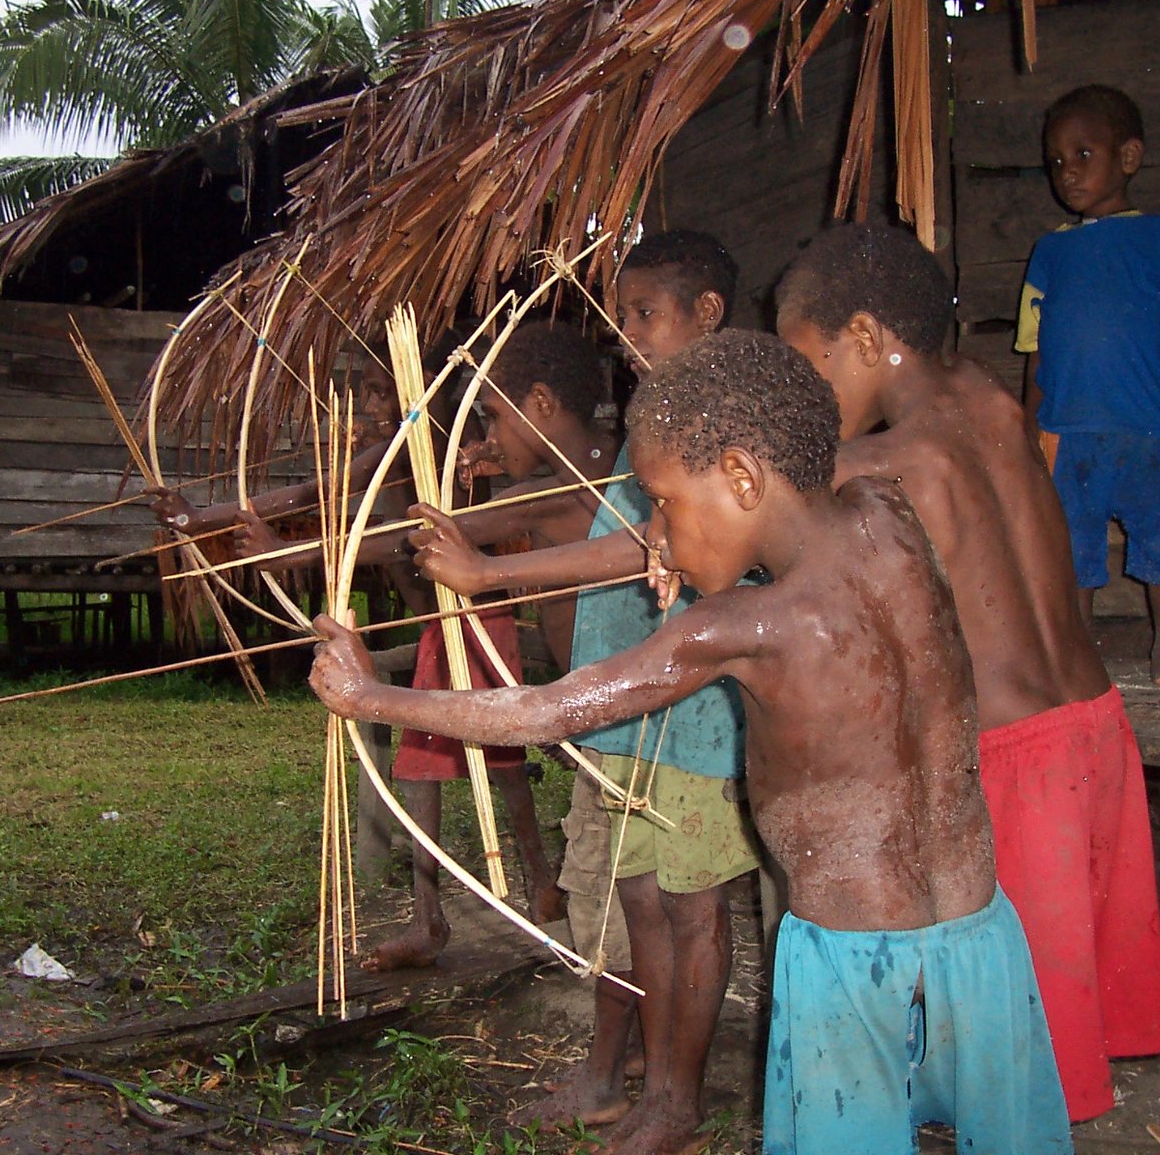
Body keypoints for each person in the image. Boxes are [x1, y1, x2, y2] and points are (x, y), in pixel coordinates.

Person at [311, 331, 1073, 1155]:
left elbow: (548, 709)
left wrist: (369, 696)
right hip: (980, 936)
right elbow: (807, 525)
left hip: (853, 959)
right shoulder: (888, 513)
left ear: (740, 478)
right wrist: (700, 545)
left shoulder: (739, 628)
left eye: (665, 505)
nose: (659, 534)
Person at [775, 221, 1160, 1122]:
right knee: (1054, 1009)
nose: (807, 398)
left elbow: (749, 501)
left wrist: (491, 572)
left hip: (1017, 765)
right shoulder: (989, 397)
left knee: (1017, 1050)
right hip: (1097, 729)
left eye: (810, 367)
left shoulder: (886, 463)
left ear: (866, 338)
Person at [409, 231, 759, 1152]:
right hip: (630, 713)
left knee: (693, 908)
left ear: (708, 313)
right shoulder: (658, 420)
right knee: (639, 904)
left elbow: (652, 549)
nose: (626, 333)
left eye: (644, 313)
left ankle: (675, 1099)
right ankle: (651, 1088)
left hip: (698, 716)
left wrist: (487, 574)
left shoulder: (728, 417)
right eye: (623, 315)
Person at [154, 342, 566, 972]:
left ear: (419, 387)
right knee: (446, 765)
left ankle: (514, 892)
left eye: (380, 391)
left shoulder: (432, 439)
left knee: (495, 762)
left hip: (474, 617)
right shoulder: (401, 445)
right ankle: (456, 910)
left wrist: (282, 549)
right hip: (441, 623)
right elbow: (317, 494)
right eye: (368, 392)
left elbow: (391, 533)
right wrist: (200, 518)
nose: (371, 406)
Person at [1017, 83, 1160, 685]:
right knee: (1074, 543)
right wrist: (1026, 426)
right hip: (1069, 431)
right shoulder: (1050, 252)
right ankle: (1083, 653)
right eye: (1056, 161)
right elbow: (1036, 350)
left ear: (1128, 156)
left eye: (1083, 154)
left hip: (1145, 428)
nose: (1067, 173)